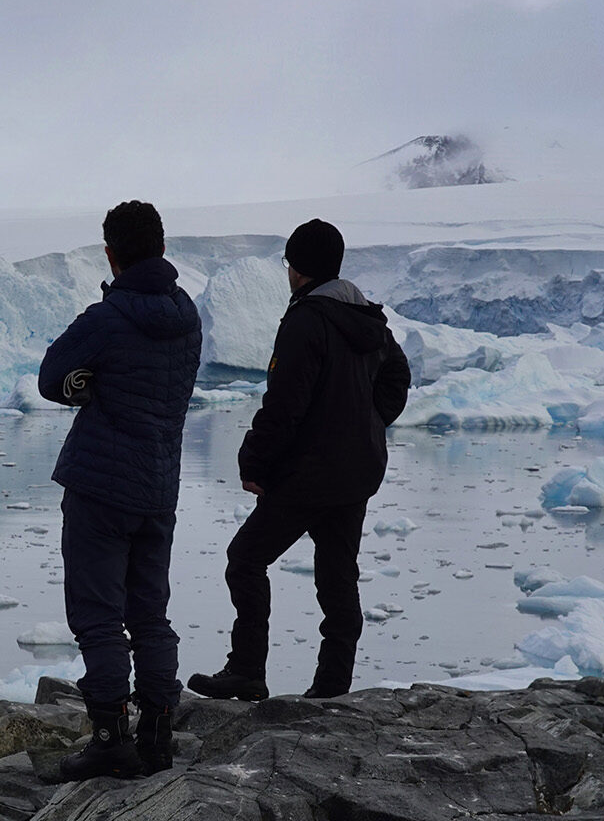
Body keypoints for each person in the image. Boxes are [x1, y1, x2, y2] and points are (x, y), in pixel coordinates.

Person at [190, 219, 412, 703]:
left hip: (309, 473)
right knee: (338, 577)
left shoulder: (307, 320)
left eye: (289, 263)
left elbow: (285, 404)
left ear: (298, 268)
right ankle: (332, 688)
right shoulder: (369, 319)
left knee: (245, 559)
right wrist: (370, 422)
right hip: (355, 472)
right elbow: (398, 377)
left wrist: (254, 462)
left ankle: (247, 670)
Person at [36, 200, 202, 779]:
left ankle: (109, 739)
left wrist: (82, 385)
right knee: (150, 614)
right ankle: (157, 737)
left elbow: (50, 376)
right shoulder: (188, 316)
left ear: (110, 254)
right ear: (162, 247)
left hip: (101, 489)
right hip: (159, 486)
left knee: (99, 616)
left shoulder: (106, 318)